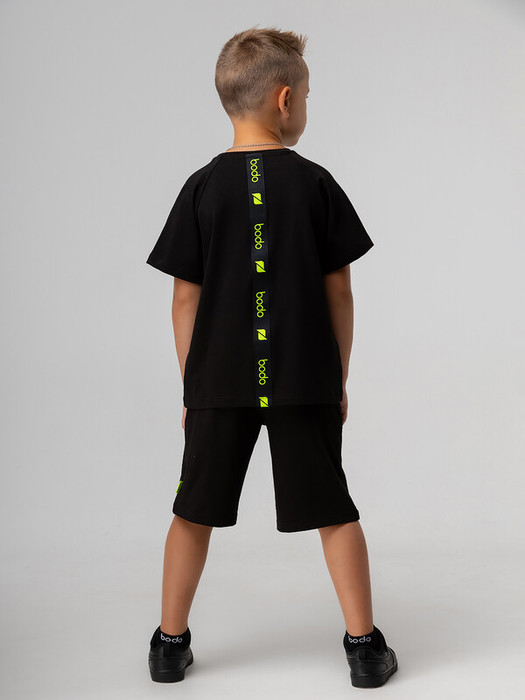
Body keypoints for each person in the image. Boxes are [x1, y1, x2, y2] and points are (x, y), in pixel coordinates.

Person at [145, 26, 398, 688]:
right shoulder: (315, 184)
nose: (305, 105)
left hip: (217, 382)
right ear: (285, 100)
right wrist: (336, 377)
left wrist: (192, 388)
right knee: (334, 509)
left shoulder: (201, 188)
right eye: (306, 95)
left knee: (192, 511)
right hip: (303, 378)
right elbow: (339, 292)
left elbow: (184, 300)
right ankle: (364, 647)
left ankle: (169, 644)